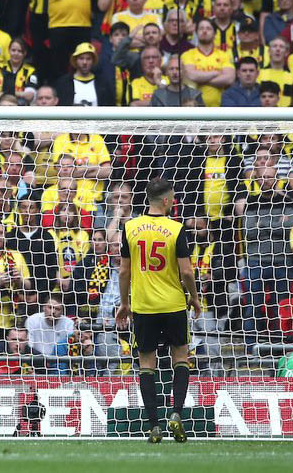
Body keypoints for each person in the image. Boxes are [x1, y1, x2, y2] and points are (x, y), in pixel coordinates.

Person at [115, 177, 199, 444]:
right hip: (173, 304)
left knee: (146, 364)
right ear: (165, 200)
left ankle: (154, 425)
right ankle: (176, 414)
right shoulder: (176, 229)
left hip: (144, 306)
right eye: (172, 197)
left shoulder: (130, 227)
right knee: (181, 359)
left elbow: (124, 270)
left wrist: (125, 303)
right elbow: (186, 271)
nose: (173, 201)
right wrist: (195, 298)